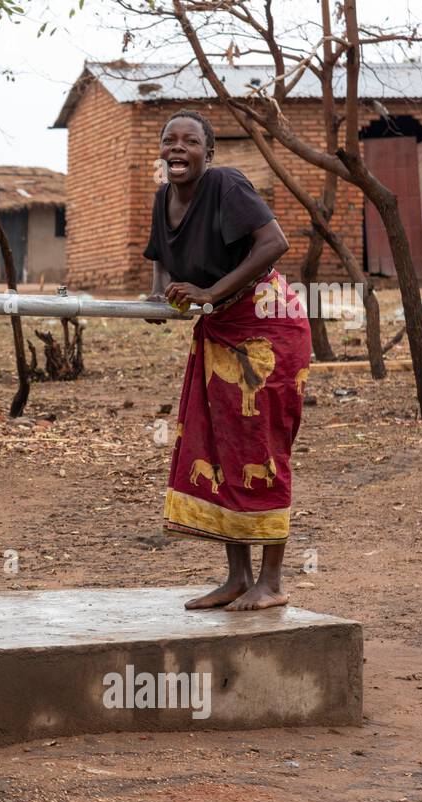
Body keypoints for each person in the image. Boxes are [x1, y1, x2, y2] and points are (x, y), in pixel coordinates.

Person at [143, 109, 312, 611]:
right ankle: (238, 577)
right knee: (221, 447)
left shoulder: (226, 185)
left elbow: (274, 243)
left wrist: (209, 292)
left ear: (208, 153)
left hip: (268, 327)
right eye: (169, 140)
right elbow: (160, 256)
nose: (178, 148)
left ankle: (273, 582)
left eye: (190, 141)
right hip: (219, 327)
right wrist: (158, 298)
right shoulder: (163, 199)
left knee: (261, 447)